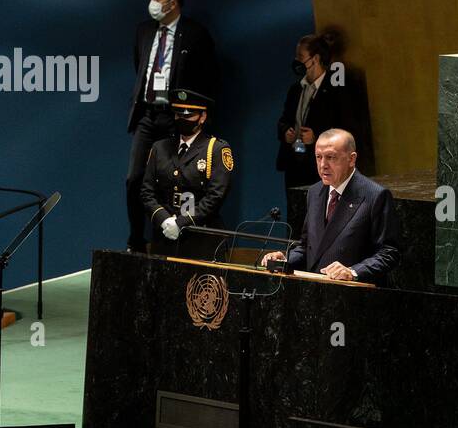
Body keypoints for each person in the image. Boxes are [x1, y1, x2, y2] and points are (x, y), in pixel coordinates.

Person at [125, 0, 220, 252]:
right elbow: (139, 66)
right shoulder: (143, 31)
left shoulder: (195, 34)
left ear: (172, 4)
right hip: (147, 115)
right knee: (134, 178)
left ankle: (167, 239)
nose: (152, 3)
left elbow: (209, 77)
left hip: (176, 118)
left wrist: (198, 115)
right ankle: (136, 240)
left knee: (171, 180)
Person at [261, 129, 399, 283]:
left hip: (352, 297)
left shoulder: (375, 196)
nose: (323, 165)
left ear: (352, 159)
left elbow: (388, 254)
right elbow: (308, 247)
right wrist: (285, 259)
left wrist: (353, 272)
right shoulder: (315, 192)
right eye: (318, 157)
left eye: (330, 157)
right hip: (314, 294)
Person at [140, 88, 233, 260]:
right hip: (165, 237)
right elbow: (147, 192)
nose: (182, 119)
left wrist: (182, 222)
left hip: (201, 240)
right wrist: (164, 220)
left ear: (202, 117)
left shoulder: (216, 149)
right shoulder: (159, 148)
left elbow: (215, 196)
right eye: (178, 115)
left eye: (188, 115)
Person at [276, 29, 372, 190]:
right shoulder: (296, 89)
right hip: (295, 165)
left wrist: (316, 137)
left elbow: (347, 130)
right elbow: (283, 120)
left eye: (300, 57)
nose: (296, 61)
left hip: (323, 168)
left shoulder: (337, 89)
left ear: (316, 59)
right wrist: (285, 131)